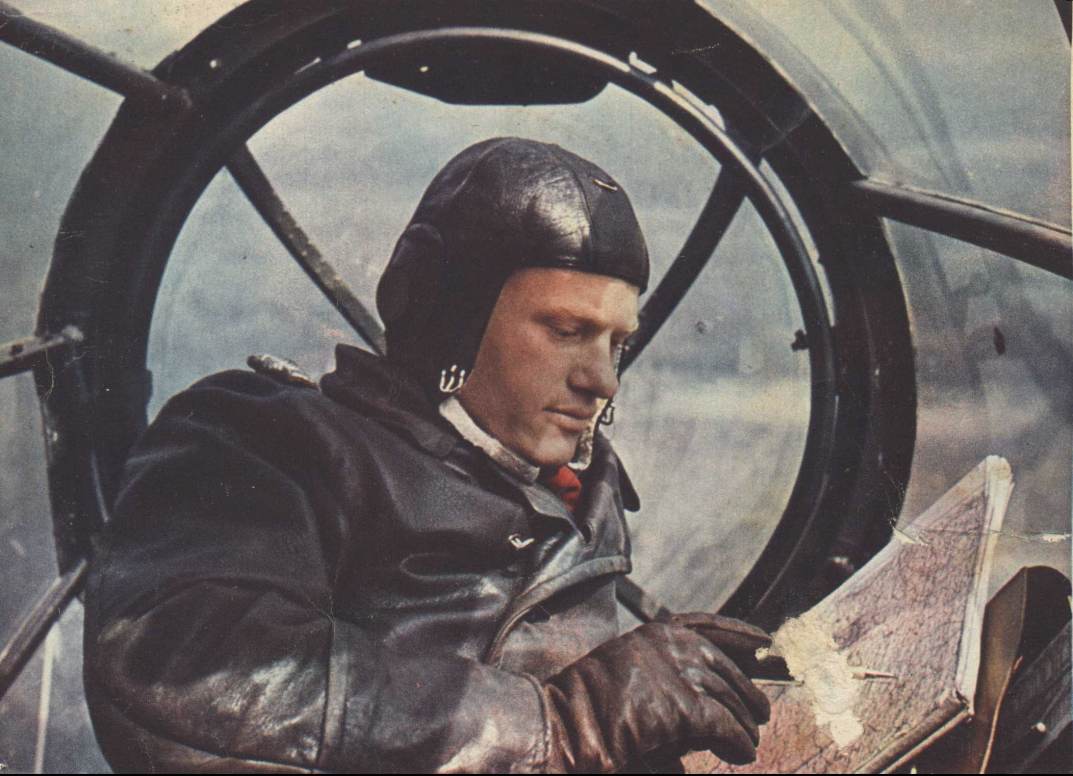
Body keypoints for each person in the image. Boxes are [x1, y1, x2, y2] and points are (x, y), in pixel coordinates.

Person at [83, 137, 771, 773]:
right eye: (566, 330)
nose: (603, 380)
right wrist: (561, 722)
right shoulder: (264, 443)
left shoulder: (581, 492)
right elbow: (180, 672)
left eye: (616, 344)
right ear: (447, 313)